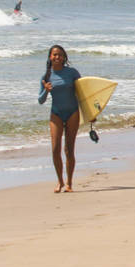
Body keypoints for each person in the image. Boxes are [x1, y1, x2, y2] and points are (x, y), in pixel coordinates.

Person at [37, 44, 81, 193]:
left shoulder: (72, 73)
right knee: (55, 149)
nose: (57, 57)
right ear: (50, 57)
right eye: (55, 55)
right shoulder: (46, 76)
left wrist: (91, 114)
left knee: (69, 149)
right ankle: (60, 181)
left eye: (60, 55)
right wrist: (46, 91)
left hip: (73, 112)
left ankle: (69, 182)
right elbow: (40, 100)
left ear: (64, 57)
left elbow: (83, 93)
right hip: (56, 113)